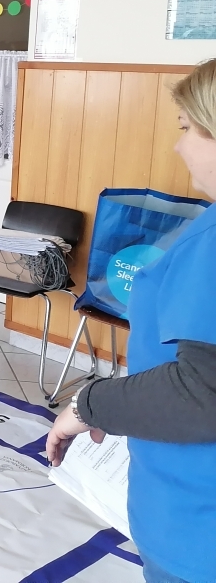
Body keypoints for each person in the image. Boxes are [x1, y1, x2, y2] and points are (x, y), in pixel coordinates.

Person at [46, 58, 216, 583]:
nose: (178, 147)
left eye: (187, 128)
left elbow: (202, 392)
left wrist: (89, 403)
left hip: (195, 532)